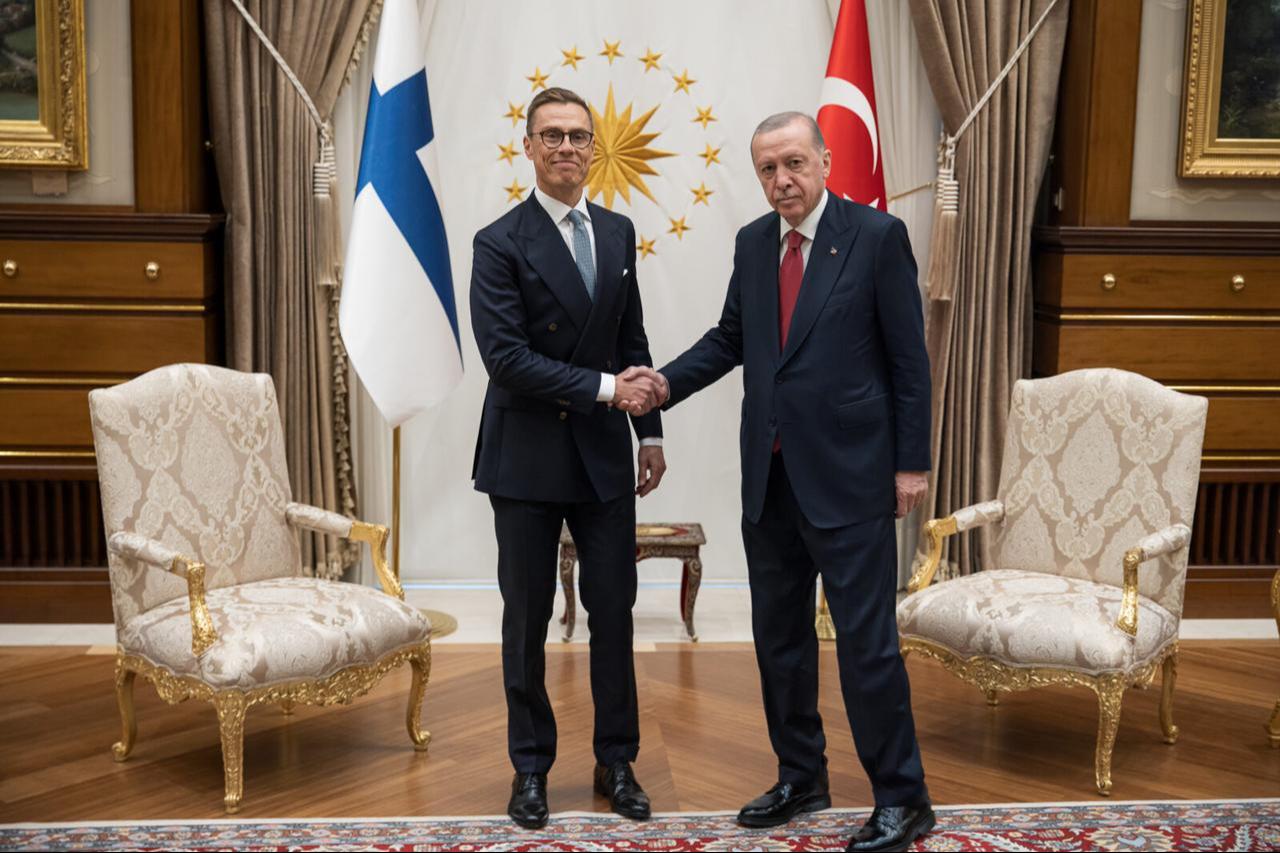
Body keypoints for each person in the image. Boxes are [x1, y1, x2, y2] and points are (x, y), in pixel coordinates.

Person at [634, 111, 935, 852]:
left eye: (794, 163)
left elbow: (908, 362)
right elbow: (733, 338)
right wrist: (663, 382)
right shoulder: (752, 241)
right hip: (769, 479)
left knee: (866, 646)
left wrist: (911, 463)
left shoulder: (875, 237)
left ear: (826, 161)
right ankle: (803, 776)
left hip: (853, 477)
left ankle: (904, 796)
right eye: (768, 168)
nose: (782, 180)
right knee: (781, 643)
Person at [469, 86, 668, 830]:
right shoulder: (499, 240)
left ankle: (617, 760)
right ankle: (530, 767)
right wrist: (608, 388)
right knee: (527, 618)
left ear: (594, 147)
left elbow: (632, 339)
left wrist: (649, 432)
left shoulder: (617, 232)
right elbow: (507, 360)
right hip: (524, 457)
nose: (565, 148)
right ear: (528, 147)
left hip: (604, 457)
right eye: (550, 135)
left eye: (578, 136)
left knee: (613, 612)